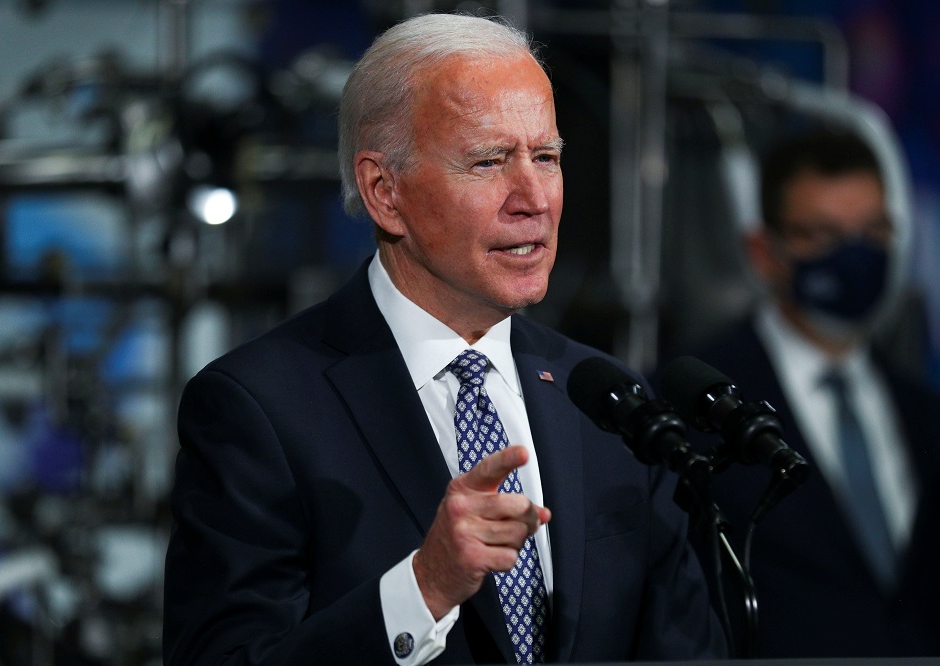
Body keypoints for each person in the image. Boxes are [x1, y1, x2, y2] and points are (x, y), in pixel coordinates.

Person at [163, 12, 725, 665]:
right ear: (384, 191)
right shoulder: (258, 408)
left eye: (545, 157)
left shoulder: (607, 405)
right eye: (488, 161)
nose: (533, 198)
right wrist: (423, 587)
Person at [671, 128, 940, 658]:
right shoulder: (694, 400)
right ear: (764, 250)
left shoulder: (925, 411)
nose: (856, 256)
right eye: (823, 234)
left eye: (873, 231)